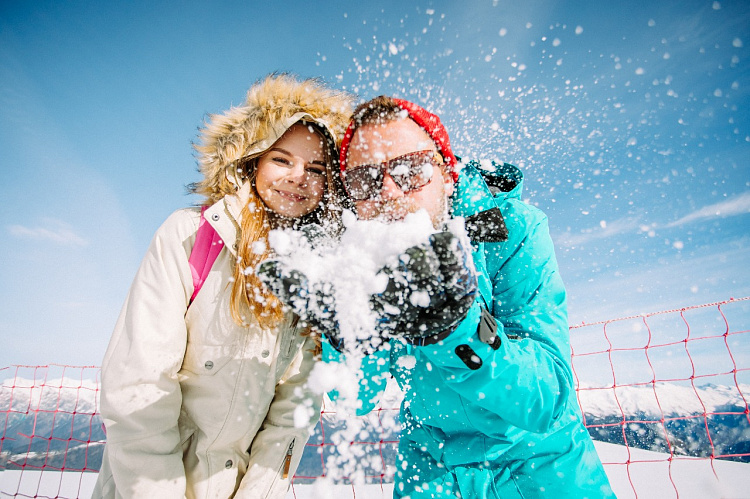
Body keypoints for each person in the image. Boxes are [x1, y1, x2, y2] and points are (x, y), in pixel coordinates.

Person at [335, 96, 614, 497]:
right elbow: (356, 397)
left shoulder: (513, 230)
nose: (389, 192)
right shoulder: (363, 260)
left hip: (540, 466)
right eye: (364, 180)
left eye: (411, 169)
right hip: (431, 469)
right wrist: (340, 335)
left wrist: (459, 331)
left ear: (447, 175)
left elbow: (547, 397)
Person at [93, 74, 354, 498]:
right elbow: (139, 387)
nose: (299, 177)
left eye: (317, 168)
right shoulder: (190, 238)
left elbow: (292, 414)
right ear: (252, 161)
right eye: (282, 160)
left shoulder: (316, 278)